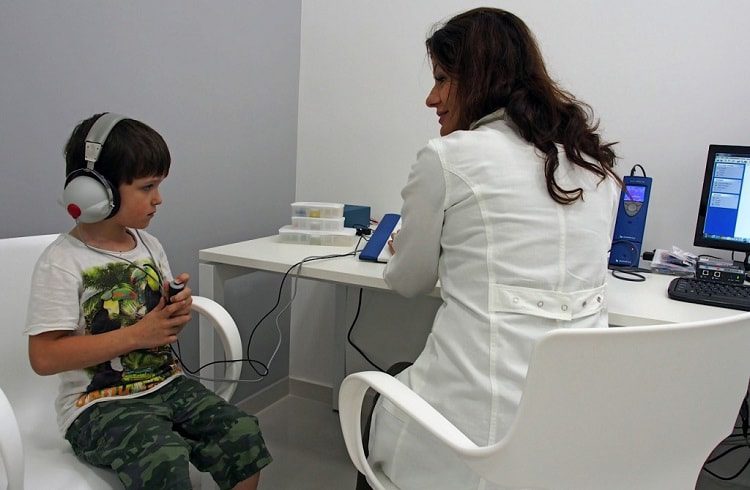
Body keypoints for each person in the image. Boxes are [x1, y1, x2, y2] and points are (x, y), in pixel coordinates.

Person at [362, 8, 621, 490]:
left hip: (465, 447)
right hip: (569, 443)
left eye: (442, 79)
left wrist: (407, 253)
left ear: (478, 77)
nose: (430, 98)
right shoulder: (597, 169)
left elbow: (408, 283)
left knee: (381, 397)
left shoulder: (449, 156)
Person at [25, 113, 272, 489]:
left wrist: (175, 310)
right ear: (95, 190)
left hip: (165, 384)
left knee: (242, 432)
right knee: (163, 457)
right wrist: (139, 335)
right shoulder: (61, 262)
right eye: (147, 187)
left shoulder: (148, 245)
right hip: (96, 405)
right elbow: (44, 358)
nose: (159, 199)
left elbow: (154, 324)